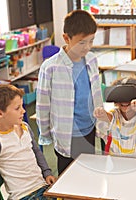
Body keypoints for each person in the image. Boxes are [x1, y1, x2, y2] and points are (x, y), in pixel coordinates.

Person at [36, 10, 104, 175]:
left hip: (88, 127)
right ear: (66, 38)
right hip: (66, 132)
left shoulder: (92, 59)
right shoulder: (50, 67)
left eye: (91, 41)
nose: (87, 47)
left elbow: (96, 93)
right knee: (67, 177)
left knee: (88, 173)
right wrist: (45, 133)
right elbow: (43, 104)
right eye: (82, 42)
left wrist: (102, 122)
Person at [0, 84, 56, 200]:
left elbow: (36, 151)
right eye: (17, 108)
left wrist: (47, 172)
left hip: (43, 187)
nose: (23, 111)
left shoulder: (25, 127)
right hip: (24, 196)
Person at [94, 76, 136, 159]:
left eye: (129, 96)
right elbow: (108, 117)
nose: (125, 101)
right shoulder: (115, 114)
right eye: (120, 96)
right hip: (117, 162)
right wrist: (101, 113)